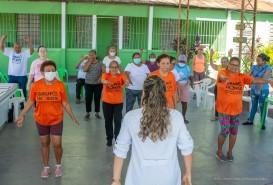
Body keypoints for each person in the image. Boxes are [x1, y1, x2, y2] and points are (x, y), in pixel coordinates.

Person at [111, 75, 193, 185]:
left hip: (138, 178)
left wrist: (116, 180)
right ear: (164, 93)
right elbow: (187, 148)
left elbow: (120, 150)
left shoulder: (131, 117)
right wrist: (188, 173)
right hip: (169, 178)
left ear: (144, 92)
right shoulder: (176, 117)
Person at [16, 60, 79, 178]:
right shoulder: (36, 85)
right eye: (48, 71)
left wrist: (73, 117)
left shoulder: (60, 85)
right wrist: (21, 115)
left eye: (53, 70)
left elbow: (65, 103)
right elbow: (30, 101)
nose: (51, 73)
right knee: (44, 143)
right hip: (41, 119)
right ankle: (46, 167)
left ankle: (58, 165)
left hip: (56, 119)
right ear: (42, 72)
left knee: (57, 144)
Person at [215, 57, 273, 162]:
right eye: (232, 64)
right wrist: (224, 78)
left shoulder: (241, 76)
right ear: (228, 64)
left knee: (233, 131)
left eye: (236, 65)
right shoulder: (222, 73)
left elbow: (254, 79)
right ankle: (219, 151)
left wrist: (268, 81)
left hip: (236, 110)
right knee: (224, 131)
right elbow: (221, 77)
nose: (234, 67)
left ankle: (230, 152)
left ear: (238, 67)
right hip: (223, 109)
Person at [0, 33, 34, 108]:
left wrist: (28, 42)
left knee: (23, 90)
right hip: (12, 75)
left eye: (18, 47)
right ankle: (11, 104)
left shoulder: (24, 53)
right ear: (13, 47)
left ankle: (22, 105)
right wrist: (2, 38)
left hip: (22, 76)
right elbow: (1, 48)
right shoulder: (10, 52)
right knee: (10, 91)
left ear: (21, 47)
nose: (17, 49)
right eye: (16, 47)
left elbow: (32, 51)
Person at [101, 61, 129, 147]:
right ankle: (109, 138)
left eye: (116, 67)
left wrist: (126, 84)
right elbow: (102, 80)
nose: (114, 69)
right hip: (107, 102)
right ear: (109, 68)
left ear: (118, 68)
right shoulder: (106, 75)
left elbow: (126, 81)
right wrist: (105, 82)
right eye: (112, 67)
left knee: (117, 121)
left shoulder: (121, 76)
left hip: (118, 103)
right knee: (108, 121)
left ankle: (117, 138)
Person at [242, 53, 272, 129]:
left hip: (263, 90)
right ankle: (250, 120)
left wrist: (260, 85)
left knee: (262, 106)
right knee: (254, 105)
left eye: (259, 61)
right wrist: (244, 77)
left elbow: (264, 78)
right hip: (254, 89)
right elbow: (247, 75)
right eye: (256, 60)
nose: (257, 62)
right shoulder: (254, 67)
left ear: (264, 61)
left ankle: (262, 123)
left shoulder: (268, 68)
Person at [209, 49, 231, 121]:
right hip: (218, 87)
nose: (223, 63)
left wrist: (230, 55)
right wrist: (211, 56)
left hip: (226, 88)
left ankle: (226, 115)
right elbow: (212, 65)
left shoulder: (230, 69)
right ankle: (216, 116)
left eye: (225, 62)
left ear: (228, 62)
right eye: (222, 62)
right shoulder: (219, 67)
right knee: (217, 101)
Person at [83, 50, 105, 120]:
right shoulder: (87, 62)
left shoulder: (101, 63)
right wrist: (89, 62)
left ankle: (97, 113)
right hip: (88, 83)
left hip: (98, 84)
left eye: (93, 55)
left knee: (97, 98)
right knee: (88, 98)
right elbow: (84, 70)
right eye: (90, 55)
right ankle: (87, 113)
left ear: (96, 55)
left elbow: (104, 72)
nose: (91, 56)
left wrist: (100, 77)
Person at [174, 54, 193, 124]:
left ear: (185, 61)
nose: (182, 62)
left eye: (183, 61)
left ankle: (183, 117)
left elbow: (190, 76)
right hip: (176, 85)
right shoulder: (174, 67)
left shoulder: (187, 68)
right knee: (175, 101)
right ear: (178, 60)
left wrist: (191, 81)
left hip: (185, 85)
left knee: (184, 102)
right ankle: (174, 117)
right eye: (180, 61)